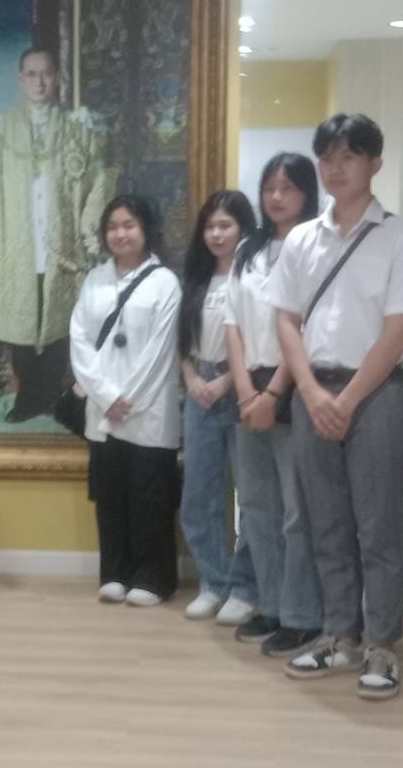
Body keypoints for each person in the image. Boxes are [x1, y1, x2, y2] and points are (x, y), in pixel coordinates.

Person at [267, 115, 403, 700]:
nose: (336, 168)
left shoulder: (400, 238)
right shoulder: (302, 240)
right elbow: (286, 320)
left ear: (374, 164)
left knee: (377, 525)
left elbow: (399, 329)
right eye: (328, 157)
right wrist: (311, 393)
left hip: (376, 395)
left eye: (349, 156)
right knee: (326, 522)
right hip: (314, 393)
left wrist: (348, 398)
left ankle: (382, 644)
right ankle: (340, 633)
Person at [0, 46, 114, 423]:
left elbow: (98, 180)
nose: (39, 81)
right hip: (14, 241)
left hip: (61, 243)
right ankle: (28, 398)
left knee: (60, 320)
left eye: (46, 73)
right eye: (31, 74)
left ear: (57, 78)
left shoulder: (78, 129)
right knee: (21, 323)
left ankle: (52, 395)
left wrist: (90, 227)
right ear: (20, 79)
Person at [223, 153, 327, 658]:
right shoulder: (249, 248)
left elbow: (302, 328)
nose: (276, 197)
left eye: (288, 187)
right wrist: (246, 391)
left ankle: (303, 615)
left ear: (307, 193)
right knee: (256, 506)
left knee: (295, 509)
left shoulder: (315, 247)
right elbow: (232, 324)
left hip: (292, 387)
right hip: (249, 389)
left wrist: (273, 394)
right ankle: (269, 604)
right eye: (269, 188)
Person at [70, 195, 183, 607]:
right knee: (110, 494)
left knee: (149, 495)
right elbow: (80, 340)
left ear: (146, 229)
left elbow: (161, 351)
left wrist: (125, 399)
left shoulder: (165, 282)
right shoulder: (94, 280)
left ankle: (154, 578)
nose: (120, 234)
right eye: (113, 226)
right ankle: (114, 572)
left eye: (129, 225)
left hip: (147, 409)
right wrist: (105, 395)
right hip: (102, 410)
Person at [176, 191, 261, 624]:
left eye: (225, 225)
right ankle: (214, 583)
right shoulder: (195, 279)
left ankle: (245, 588)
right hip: (199, 396)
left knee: (251, 498)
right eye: (210, 226)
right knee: (198, 497)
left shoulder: (255, 277)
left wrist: (228, 380)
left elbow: (261, 340)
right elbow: (183, 344)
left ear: (244, 227)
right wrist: (193, 379)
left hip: (243, 390)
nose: (216, 234)